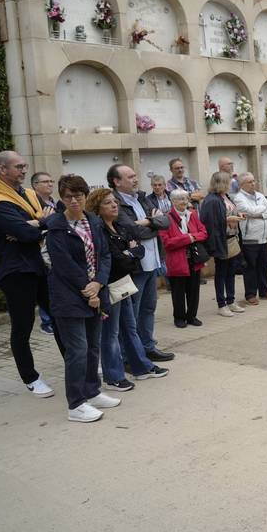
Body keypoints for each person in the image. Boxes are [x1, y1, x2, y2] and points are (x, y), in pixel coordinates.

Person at [0, 151, 62, 396]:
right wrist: (39, 223)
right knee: (23, 326)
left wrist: (33, 224)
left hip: (38, 264)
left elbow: (56, 219)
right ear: (2, 170)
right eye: (18, 166)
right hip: (15, 270)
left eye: (25, 165)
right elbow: (28, 233)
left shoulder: (28, 194)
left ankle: (77, 361)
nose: (24, 170)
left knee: (61, 317)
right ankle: (31, 377)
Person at [44, 175, 119, 423]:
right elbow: (63, 264)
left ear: (86, 196)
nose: (74, 201)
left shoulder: (94, 221)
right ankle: (75, 404)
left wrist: (98, 283)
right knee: (77, 350)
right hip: (69, 296)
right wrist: (88, 289)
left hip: (94, 291)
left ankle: (91, 391)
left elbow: (104, 255)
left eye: (78, 195)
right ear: (62, 198)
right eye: (68, 196)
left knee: (93, 346)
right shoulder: (56, 226)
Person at [87, 188, 167, 390]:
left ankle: (141, 367)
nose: (114, 205)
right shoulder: (98, 231)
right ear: (97, 208)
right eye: (107, 203)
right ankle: (113, 376)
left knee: (129, 328)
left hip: (124, 283)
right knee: (111, 333)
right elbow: (115, 260)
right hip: (108, 286)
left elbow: (138, 250)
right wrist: (129, 252)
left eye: (114, 201)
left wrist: (129, 253)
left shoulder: (119, 226)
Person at [109, 164, 174, 362]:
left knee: (148, 308)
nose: (135, 179)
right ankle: (129, 355)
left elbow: (166, 222)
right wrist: (152, 222)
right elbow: (131, 231)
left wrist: (147, 223)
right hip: (134, 266)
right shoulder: (115, 202)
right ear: (117, 181)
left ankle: (147, 346)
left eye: (135, 175)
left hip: (152, 262)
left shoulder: (142, 197)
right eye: (130, 177)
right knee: (131, 315)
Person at [159, 188, 208, 329]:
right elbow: (167, 242)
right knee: (178, 291)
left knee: (194, 290)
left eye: (185, 199)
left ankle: (192, 316)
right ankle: (179, 318)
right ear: (172, 201)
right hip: (177, 261)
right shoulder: (166, 218)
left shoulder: (192, 215)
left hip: (193, 258)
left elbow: (203, 233)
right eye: (180, 199)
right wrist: (188, 238)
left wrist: (191, 237)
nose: (184, 202)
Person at [200, 171, 247, 316]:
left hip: (232, 239)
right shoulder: (211, 200)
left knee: (231, 272)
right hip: (221, 241)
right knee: (221, 273)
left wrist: (237, 215)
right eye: (228, 181)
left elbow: (228, 212)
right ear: (222, 183)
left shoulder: (225, 196)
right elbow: (209, 223)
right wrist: (229, 220)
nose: (231, 184)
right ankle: (222, 304)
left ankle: (231, 301)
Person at [233, 172, 267, 304]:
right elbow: (248, 211)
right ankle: (251, 294)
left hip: (263, 237)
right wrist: (264, 210)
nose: (253, 184)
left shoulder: (260, 195)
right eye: (249, 182)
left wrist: (260, 213)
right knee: (250, 267)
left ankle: (264, 290)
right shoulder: (238, 198)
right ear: (241, 185)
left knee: (263, 265)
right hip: (249, 238)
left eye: (254, 181)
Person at [30, 171, 58, 333]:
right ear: (35, 185)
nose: (50, 184)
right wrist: (44, 221)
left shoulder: (56, 203)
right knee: (46, 284)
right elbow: (28, 225)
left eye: (51, 181)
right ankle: (46, 322)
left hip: (56, 248)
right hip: (41, 248)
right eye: (45, 181)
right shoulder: (34, 203)